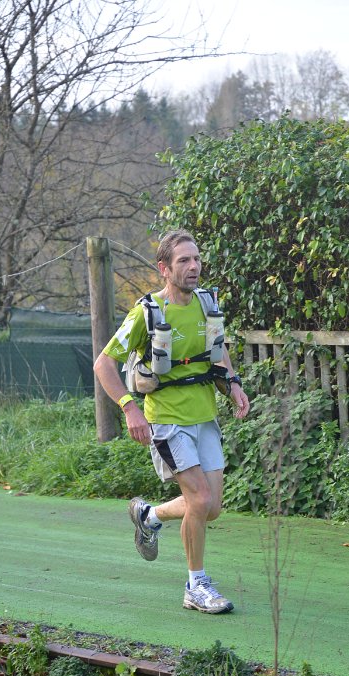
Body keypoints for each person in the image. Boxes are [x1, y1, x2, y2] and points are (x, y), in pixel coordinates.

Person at [93, 229, 250, 614]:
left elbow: (218, 352)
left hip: (205, 417)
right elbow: (103, 364)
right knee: (199, 499)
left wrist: (233, 384)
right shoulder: (147, 313)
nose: (194, 266)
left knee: (211, 507)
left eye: (196, 259)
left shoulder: (207, 304)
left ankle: (149, 515)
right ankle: (197, 586)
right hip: (166, 422)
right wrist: (129, 408)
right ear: (164, 268)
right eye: (184, 260)